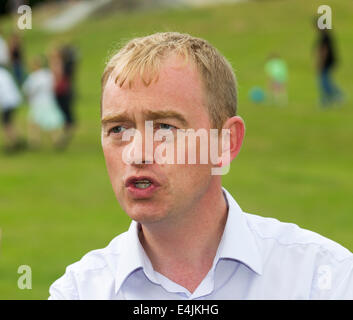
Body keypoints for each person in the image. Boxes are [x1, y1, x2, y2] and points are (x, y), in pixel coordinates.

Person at [49, 32, 353, 300]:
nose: (136, 153)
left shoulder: (323, 280)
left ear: (225, 142)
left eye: (165, 127)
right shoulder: (79, 291)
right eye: (117, 129)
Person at [22, 55, 65, 149]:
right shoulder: (48, 74)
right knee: (52, 123)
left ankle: (34, 142)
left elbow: (28, 90)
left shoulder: (34, 77)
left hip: (38, 104)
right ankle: (57, 140)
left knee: (33, 124)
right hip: (49, 101)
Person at [315, 27, 343, 107]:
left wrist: (321, 62)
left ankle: (333, 97)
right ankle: (335, 96)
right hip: (329, 61)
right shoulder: (327, 35)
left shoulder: (325, 36)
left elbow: (324, 51)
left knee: (324, 81)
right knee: (326, 80)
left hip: (327, 62)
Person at [0, 65, 24, 152]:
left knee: (6, 124)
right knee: (10, 122)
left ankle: (11, 145)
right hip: (14, 99)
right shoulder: (5, 72)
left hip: (7, 101)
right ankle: (17, 140)